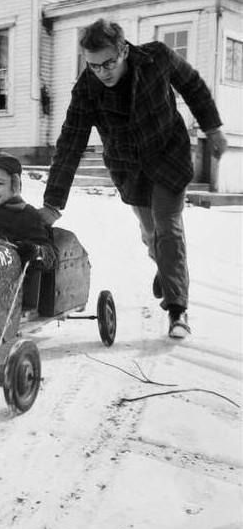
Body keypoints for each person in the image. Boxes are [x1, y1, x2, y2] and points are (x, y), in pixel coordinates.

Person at [38, 18, 227, 339]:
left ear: (124, 51)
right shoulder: (87, 89)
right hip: (129, 169)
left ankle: (177, 309)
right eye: (93, 65)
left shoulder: (158, 58)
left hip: (169, 156)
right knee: (151, 234)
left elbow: (192, 84)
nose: (102, 72)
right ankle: (166, 271)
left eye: (108, 63)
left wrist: (213, 128)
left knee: (168, 228)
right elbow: (70, 143)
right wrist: (52, 204)